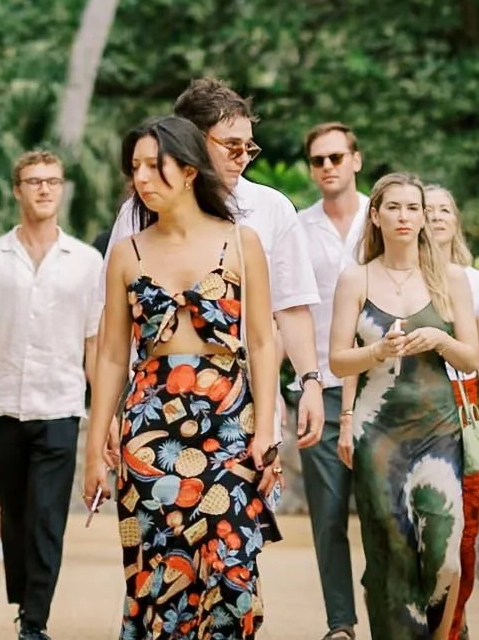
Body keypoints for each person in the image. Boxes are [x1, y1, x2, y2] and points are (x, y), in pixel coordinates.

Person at [85, 115, 279, 640]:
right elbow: (112, 352)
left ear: (187, 170)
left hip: (228, 427)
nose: (139, 179)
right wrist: (96, 440)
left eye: (151, 166)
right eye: (132, 168)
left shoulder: (240, 242)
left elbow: (263, 341)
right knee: (162, 595)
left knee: (232, 591)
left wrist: (267, 426)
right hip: (148, 437)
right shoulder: (127, 252)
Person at [106, 77, 324, 453]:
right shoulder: (139, 213)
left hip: (248, 397)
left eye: (248, 147)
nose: (243, 157)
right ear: (191, 142)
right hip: (154, 402)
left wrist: (311, 382)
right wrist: (109, 410)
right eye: (232, 146)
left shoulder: (272, 209)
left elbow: (291, 307)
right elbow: (113, 324)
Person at [331, 169, 479, 640]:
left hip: (438, 427)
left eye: (411, 208)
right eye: (391, 207)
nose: (402, 216)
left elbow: (473, 358)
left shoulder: (450, 279)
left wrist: (440, 337)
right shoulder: (356, 279)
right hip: (380, 433)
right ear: (375, 215)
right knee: (392, 552)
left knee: (444, 556)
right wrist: (376, 353)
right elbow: (336, 359)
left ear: (423, 217)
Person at [0, 148, 104, 640]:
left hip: (60, 403)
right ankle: (23, 602)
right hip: (3, 405)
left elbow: (96, 342)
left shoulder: (86, 262)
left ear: (62, 188)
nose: (44, 190)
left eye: (52, 181)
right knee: (14, 513)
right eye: (34, 181)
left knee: (49, 515)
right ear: (17, 189)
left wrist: (104, 414)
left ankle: (36, 622)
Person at [424, 183, 479, 640]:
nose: (435, 219)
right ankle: (429, 638)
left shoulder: (475, 282)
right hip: (422, 415)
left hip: (467, 412)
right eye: (426, 211)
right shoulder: (402, 281)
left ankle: (452, 625)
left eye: (444, 210)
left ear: (457, 220)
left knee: (466, 538)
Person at [295, 120, 368, 640]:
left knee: (388, 513)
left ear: (356, 160)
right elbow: (287, 310)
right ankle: (340, 620)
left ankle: (393, 609)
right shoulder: (298, 229)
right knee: (327, 514)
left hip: (383, 387)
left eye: (336, 157)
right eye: (318, 160)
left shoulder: (385, 217)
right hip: (323, 385)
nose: (327, 167)